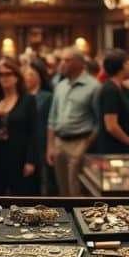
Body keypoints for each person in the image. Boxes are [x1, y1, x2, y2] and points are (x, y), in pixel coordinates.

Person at [0, 58, 40, 195]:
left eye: (8, 74)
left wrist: (31, 160)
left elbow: (33, 132)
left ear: (16, 76)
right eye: (1, 74)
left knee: (20, 197)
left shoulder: (28, 100)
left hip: (19, 156)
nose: (5, 78)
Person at [45, 47, 100, 196]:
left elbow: (99, 121)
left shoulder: (93, 86)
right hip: (59, 142)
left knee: (75, 189)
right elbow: (52, 117)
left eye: (67, 60)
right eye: (61, 60)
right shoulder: (60, 86)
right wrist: (50, 146)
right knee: (62, 190)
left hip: (80, 141)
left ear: (80, 63)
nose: (62, 64)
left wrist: (87, 143)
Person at [96, 49, 129, 154]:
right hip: (114, 149)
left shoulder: (118, 88)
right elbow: (111, 126)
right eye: (128, 63)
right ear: (121, 67)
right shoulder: (111, 90)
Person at [23, 60, 56, 194]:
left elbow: (49, 122)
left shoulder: (47, 97)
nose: (27, 77)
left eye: (31, 74)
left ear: (39, 76)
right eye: (26, 74)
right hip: (25, 142)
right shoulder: (22, 97)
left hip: (41, 141)